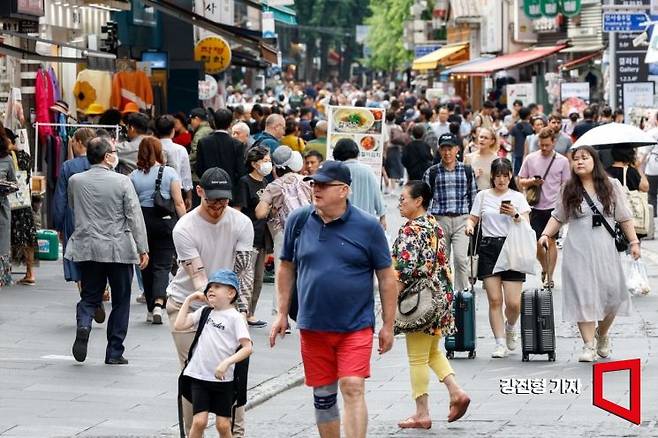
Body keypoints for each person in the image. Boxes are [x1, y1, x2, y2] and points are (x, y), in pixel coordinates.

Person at [269, 160, 398, 438]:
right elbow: (286, 266)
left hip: (355, 325)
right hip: (313, 324)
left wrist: (389, 324)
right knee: (324, 395)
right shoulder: (299, 221)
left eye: (324, 185)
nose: (316, 189)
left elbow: (387, 277)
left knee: (352, 385)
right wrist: (281, 312)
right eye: (314, 183)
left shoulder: (368, 226)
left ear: (343, 191)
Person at [166, 167, 254, 436]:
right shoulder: (185, 227)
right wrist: (214, 310)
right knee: (194, 373)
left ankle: (235, 434)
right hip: (189, 304)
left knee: (233, 372)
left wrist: (239, 314)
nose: (218, 206)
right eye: (212, 199)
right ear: (199, 192)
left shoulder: (241, 223)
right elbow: (199, 278)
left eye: (223, 200)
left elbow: (243, 271)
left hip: (228, 305)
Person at [539, 146, 640, 362]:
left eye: (585, 158)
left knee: (613, 297)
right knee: (582, 297)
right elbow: (558, 216)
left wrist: (634, 242)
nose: (580, 162)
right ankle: (587, 345)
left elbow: (624, 217)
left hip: (606, 251)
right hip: (578, 251)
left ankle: (601, 334)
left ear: (595, 161)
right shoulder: (568, 188)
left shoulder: (611, 186)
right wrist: (545, 235)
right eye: (575, 159)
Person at [393, 180, 471, 429]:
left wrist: (390, 305)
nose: (400, 203)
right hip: (440, 297)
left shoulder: (410, 230)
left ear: (419, 201)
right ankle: (456, 392)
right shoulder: (433, 225)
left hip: (419, 302)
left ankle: (421, 412)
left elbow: (404, 271)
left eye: (404, 198)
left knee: (417, 357)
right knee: (432, 352)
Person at [66, 137, 149, 364]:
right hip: (118, 247)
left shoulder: (76, 180)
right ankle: (114, 352)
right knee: (121, 300)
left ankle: (84, 324)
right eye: (113, 151)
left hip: (88, 246)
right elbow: (134, 217)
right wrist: (143, 248)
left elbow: (73, 206)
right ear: (107, 156)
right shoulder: (123, 181)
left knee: (90, 295)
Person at [174, 269, 253, 438]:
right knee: (199, 422)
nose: (210, 290)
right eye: (209, 287)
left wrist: (226, 363)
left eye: (217, 286)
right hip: (199, 376)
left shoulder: (235, 317)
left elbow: (247, 347)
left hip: (223, 381)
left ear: (231, 293)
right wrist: (188, 300)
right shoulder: (205, 312)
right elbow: (179, 325)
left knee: (223, 426)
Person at [465, 159, 531, 358]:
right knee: (494, 300)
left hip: (512, 247)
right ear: (492, 176)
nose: (502, 179)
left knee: (513, 303)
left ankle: (510, 326)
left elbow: (527, 225)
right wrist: (469, 225)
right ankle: (499, 342)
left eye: (505, 175)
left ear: (511, 176)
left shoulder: (518, 197)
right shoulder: (483, 196)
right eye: (498, 175)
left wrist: (516, 215)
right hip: (488, 248)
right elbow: (473, 217)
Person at [130, 137, 186, 324]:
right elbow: (178, 202)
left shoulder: (133, 176)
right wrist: (185, 222)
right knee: (162, 265)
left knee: (146, 264)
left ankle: (149, 307)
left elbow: (131, 204)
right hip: (164, 221)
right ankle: (159, 303)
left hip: (142, 223)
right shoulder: (169, 172)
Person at [255, 146, 311, 315]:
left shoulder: (274, 186)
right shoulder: (308, 181)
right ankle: (305, 311)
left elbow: (260, 213)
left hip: (282, 232)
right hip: (308, 231)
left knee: (282, 272)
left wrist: (272, 207)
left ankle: (281, 313)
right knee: (307, 270)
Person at [422, 133, 477, 292]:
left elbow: (473, 197)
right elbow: (425, 200)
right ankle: (443, 295)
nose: (447, 153)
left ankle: (461, 296)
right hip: (439, 220)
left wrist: (473, 220)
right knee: (441, 261)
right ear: (439, 150)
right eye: (443, 149)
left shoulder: (467, 171)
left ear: (457, 149)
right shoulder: (431, 172)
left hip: (462, 220)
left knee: (460, 259)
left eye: (450, 148)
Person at [518, 127, 570, 289]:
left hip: (553, 207)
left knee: (551, 241)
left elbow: (566, 185)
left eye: (547, 145)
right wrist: (532, 181)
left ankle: (550, 276)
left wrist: (564, 205)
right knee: (536, 243)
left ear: (554, 142)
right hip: (534, 206)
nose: (544, 148)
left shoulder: (562, 161)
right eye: (541, 145)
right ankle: (545, 267)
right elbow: (520, 180)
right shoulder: (530, 159)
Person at [53, 128, 94, 293]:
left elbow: (60, 198)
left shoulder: (68, 166)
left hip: (73, 216)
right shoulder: (101, 164)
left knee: (76, 253)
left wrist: (58, 223)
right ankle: (100, 286)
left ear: (78, 142)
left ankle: (83, 288)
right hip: (98, 215)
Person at [235, 146, 273, 328]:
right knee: (245, 276)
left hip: (262, 235)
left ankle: (251, 312)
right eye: (265, 160)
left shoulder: (266, 182)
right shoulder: (244, 182)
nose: (268, 164)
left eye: (269, 160)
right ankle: (241, 311)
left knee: (258, 278)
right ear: (254, 163)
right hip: (248, 236)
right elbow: (238, 211)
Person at [6, 129, 37, 286]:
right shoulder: (24, 155)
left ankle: (5, 271)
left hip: (8, 203)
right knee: (26, 238)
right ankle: (30, 273)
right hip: (23, 203)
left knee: (6, 237)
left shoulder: (5, 157)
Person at [333, 138, 386, 228]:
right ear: (357, 153)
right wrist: (382, 217)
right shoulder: (367, 170)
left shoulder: (336, 172)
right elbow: (378, 197)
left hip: (341, 225)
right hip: (366, 225)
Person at [196, 109, 247, 200]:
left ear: (214, 122)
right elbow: (240, 171)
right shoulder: (237, 144)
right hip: (229, 191)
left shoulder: (203, 142)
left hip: (208, 189)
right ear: (230, 124)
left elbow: (199, 169)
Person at [155, 115, 194, 210]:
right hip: (177, 193)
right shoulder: (180, 149)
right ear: (173, 131)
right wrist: (189, 197)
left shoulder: (151, 148)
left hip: (154, 194)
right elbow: (186, 176)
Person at [0, 124, 16, 288]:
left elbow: (14, 183)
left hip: (1, 209)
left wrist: (4, 186)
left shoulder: (7, 159)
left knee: (2, 245)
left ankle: (1, 276)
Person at [509, 107, 533, 175]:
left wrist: (513, 150)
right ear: (528, 116)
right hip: (528, 154)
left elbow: (513, 142)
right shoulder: (531, 127)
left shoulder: (515, 127)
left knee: (518, 174)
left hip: (517, 153)